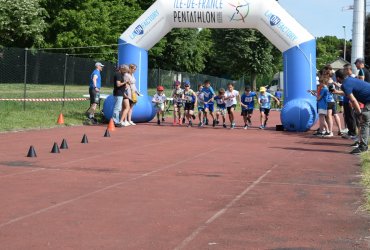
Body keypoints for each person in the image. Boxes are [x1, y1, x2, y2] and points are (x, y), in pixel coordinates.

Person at [335, 69, 370, 154]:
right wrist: (336, 92)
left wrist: (359, 113)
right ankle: (363, 144)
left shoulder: (345, 84)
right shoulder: (351, 79)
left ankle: (363, 147)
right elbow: (350, 93)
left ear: (338, 78)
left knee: (364, 121)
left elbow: (353, 100)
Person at [341, 63, 358, 139]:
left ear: (348, 70)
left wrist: (351, 101)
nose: (343, 71)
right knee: (347, 117)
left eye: (344, 69)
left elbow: (354, 91)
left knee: (351, 117)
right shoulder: (347, 78)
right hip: (345, 99)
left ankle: (353, 133)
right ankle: (350, 131)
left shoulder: (354, 78)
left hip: (349, 100)